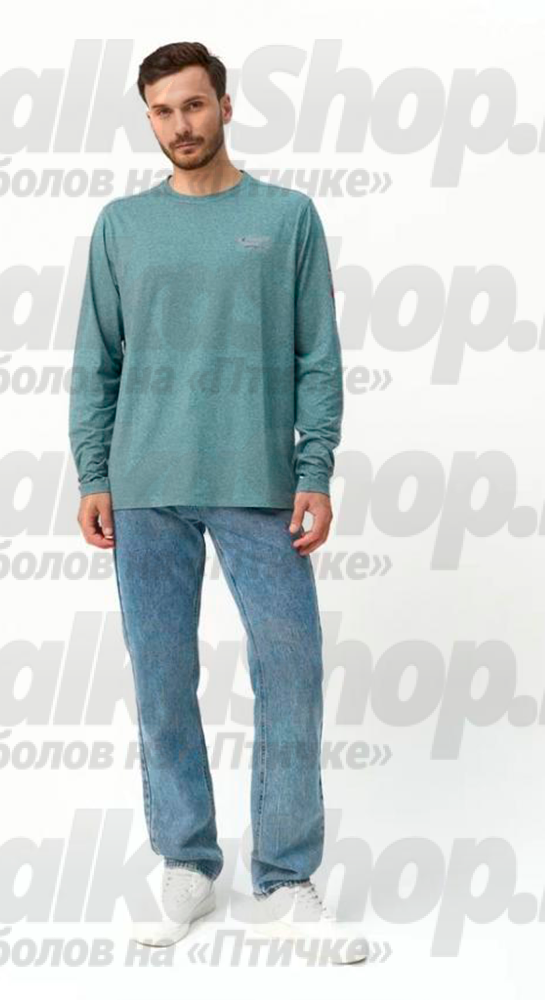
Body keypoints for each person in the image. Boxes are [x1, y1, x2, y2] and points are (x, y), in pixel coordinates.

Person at [69, 41, 366, 964]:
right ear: (148, 118)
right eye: (162, 112)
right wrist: (93, 474)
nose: (180, 126)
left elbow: (318, 355)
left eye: (193, 106)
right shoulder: (123, 225)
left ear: (226, 107)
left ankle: (283, 878)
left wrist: (315, 468)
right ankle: (188, 867)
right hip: (145, 487)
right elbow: (96, 361)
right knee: (162, 681)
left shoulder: (285, 218)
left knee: (291, 671)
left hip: (260, 485)